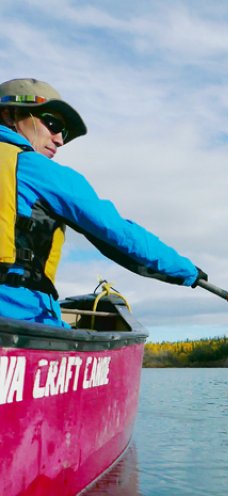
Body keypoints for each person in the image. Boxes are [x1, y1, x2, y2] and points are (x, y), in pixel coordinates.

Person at [0, 77, 206, 327]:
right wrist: (189, 272)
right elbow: (118, 233)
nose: (59, 140)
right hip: (20, 313)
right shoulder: (40, 170)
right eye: (52, 124)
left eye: (62, 132)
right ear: (10, 115)